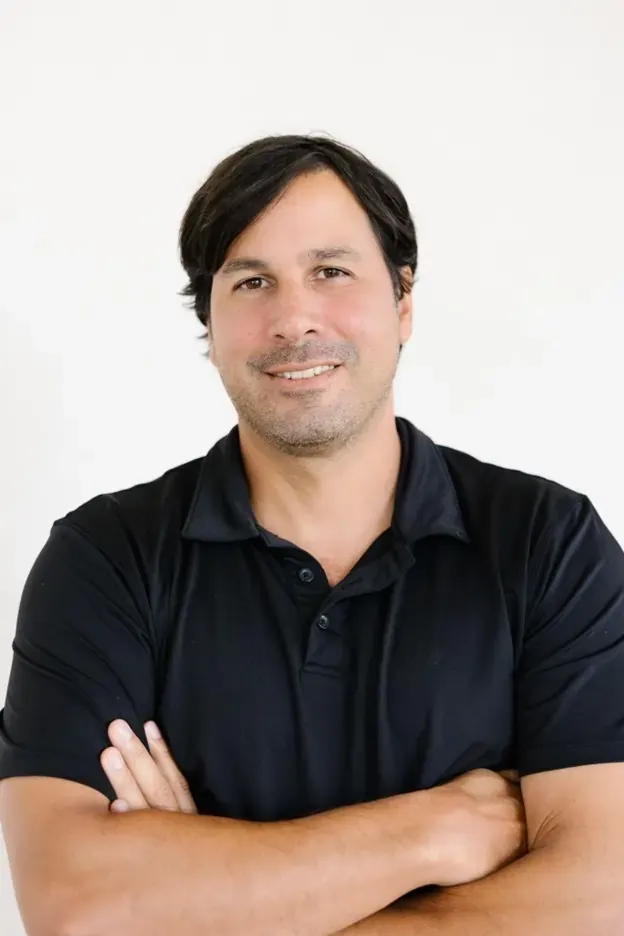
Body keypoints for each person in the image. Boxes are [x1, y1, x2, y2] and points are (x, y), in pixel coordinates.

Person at [1, 134, 623, 936]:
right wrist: (432, 832)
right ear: (210, 323)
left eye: (330, 271)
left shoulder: (547, 543)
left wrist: (208, 901)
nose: (293, 318)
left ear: (403, 301)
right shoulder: (105, 559)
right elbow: (76, 908)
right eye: (252, 281)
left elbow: (603, 895)